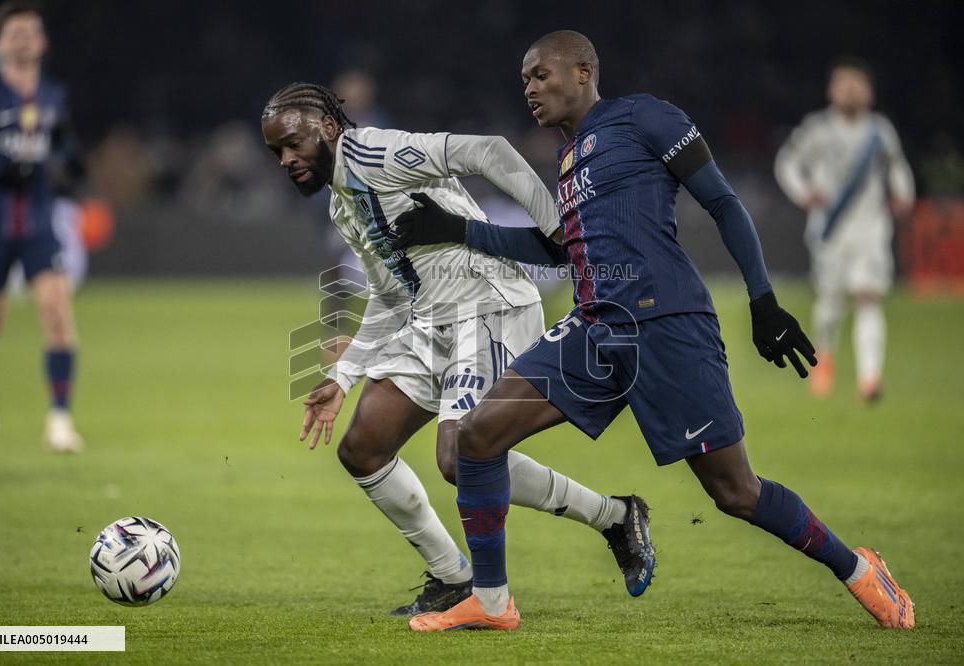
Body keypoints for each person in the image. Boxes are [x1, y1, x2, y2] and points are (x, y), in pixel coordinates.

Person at [393, 31, 914, 632]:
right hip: (595, 328)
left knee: (735, 493)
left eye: (541, 75)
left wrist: (763, 300)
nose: (531, 90)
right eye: (525, 81)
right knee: (475, 438)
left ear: (583, 71)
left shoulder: (646, 118)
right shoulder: (567, 160)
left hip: (664, 323)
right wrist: (457, 230)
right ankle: (491, 603)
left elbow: (724, 204)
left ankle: (858, 569)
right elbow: (556, 249)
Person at [260, 82, 655, 616]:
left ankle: (612, 515)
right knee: (363, 447)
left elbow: (487, 150)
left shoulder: (376, 152)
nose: (286, 159)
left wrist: (556, 225)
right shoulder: (342, 203)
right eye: (276, 151)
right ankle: (451, 576)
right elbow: (388, 294)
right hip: (429, 320)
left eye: (293, 143)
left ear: (328, 128)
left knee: (460, 457)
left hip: (488, 307)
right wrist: (343, 377)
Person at [0, 1, 84, 451]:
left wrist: (69, 165)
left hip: (37, 219)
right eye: (14, 32)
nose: (22, 39)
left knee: (56, 311)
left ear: (42, 41)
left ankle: (59, 420)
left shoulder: (53, 95)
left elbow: (65, 146)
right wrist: (6, 165)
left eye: (29, 31)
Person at [775, 56, 915, 401]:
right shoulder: (817, 128)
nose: (851, 91)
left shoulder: (879, 132)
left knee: (869, 296)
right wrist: (803, 191)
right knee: (831, 299)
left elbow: (897, 167)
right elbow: (787, 163)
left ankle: (870, 377)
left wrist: (903, 194)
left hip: (870, 228)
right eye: (844, 84)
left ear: (869, 92)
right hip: (830, 228)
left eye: (857, 85)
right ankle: (824, 357)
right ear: (831, 90)